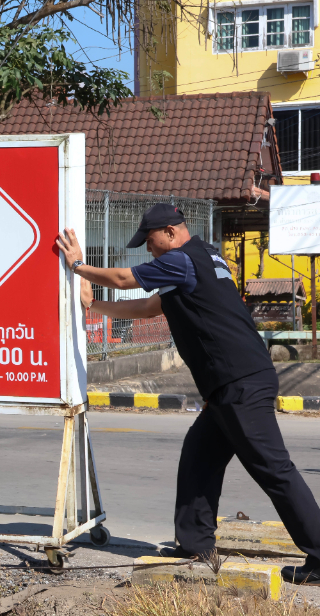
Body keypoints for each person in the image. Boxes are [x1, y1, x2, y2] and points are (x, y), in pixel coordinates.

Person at [57, 203, 320, 584]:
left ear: (170, 232)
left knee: (274, 470)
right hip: (231, 383)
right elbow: (149, 308)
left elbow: (123, 278)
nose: (149, 250)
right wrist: (93, 305)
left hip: (239, 382)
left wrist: (79, 266)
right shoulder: (203, 258)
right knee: (199, 457)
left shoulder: (181, 261)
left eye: (150, 241)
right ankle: (195, 545)